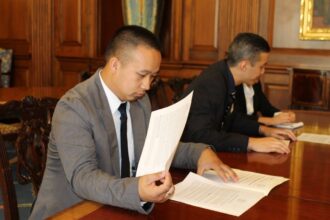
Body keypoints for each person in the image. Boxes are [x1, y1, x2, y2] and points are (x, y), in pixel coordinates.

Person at [29, 25, 237, 219]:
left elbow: (155, 146)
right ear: (115, 65)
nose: (147, 85)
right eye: (142, 75)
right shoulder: (75, 107)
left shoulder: (139, 101)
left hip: (117, 207)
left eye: (153, 77)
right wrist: (136, 190)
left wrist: (200, 153)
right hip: (73, 211)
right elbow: (84, 178)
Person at [180, 32, 296, 154]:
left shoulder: (225, 75)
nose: (263, 72)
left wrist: (264, 130)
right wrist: (251, 143)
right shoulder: (212, 84)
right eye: (261, 67)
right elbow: (200, 135)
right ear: (244, 65)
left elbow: (232, 119)